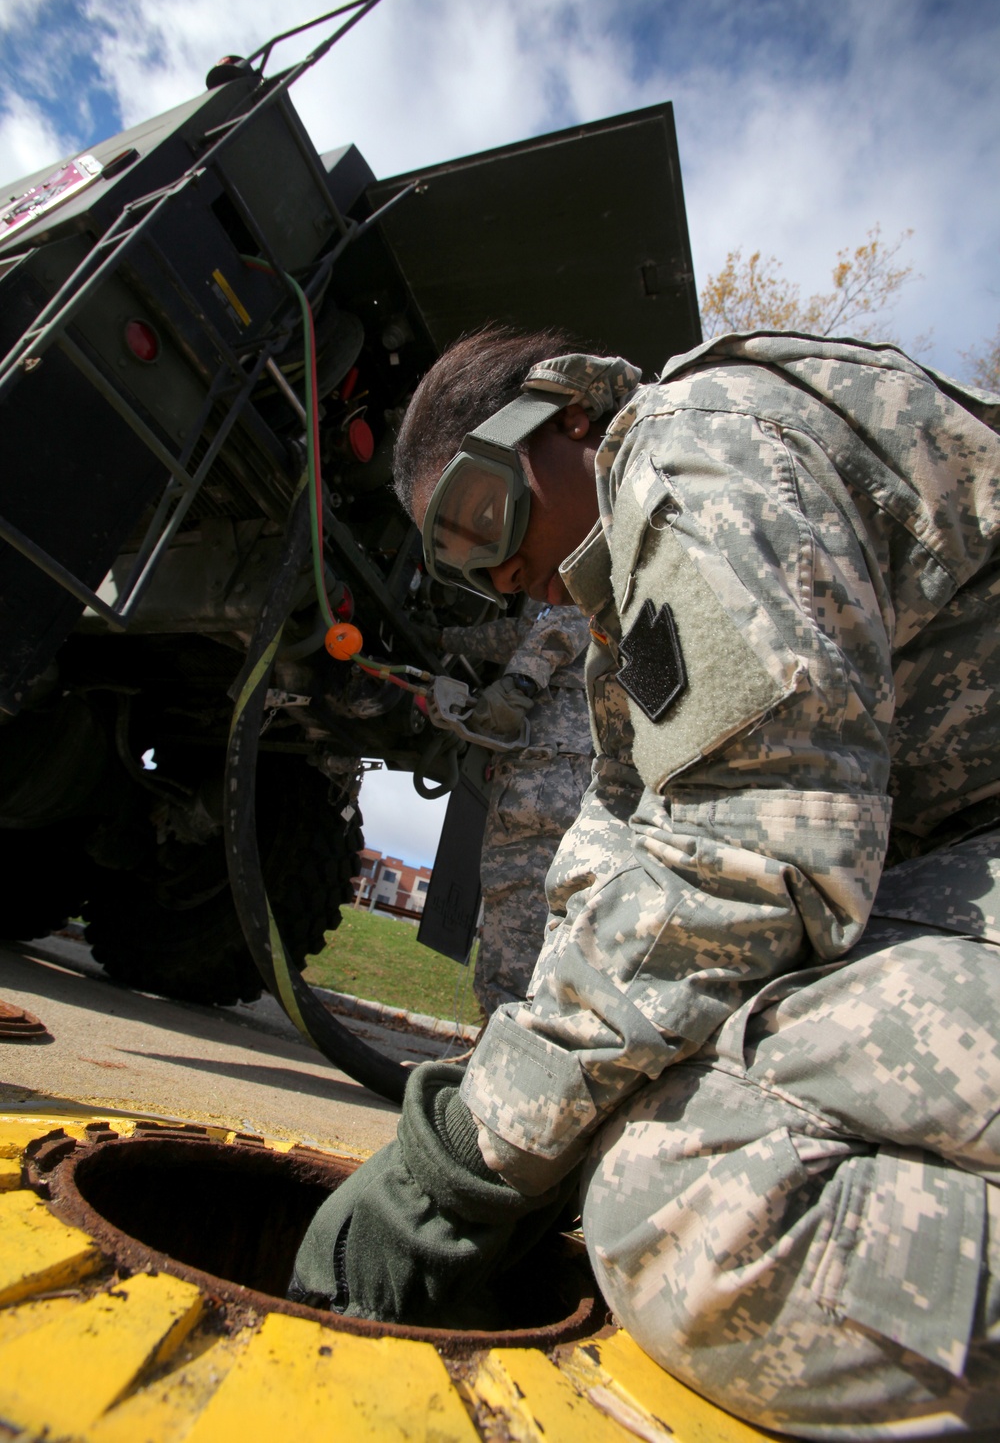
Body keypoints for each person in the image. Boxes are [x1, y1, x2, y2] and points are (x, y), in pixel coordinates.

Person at [291, 325, 1000, 1439]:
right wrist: (520, 1119)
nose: (500, 570)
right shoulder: (621, 621)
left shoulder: (692, 448)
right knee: (625, 1132)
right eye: (463, 562)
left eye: (482, 513)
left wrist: (468, 1164)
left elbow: (744, 857)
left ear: (564, 414)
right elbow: (613, 861)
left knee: (681, 1204)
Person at [434, 597, 592, 1019]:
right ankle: (499, 1040)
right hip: (544, 772)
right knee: (513, 906)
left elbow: (569, 617)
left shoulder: (574, 567)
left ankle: (505, 1049)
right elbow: (520, 633)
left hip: (548, 776)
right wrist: (446, 637)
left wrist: (518, 683)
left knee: (522, 909)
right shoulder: (545, 601)